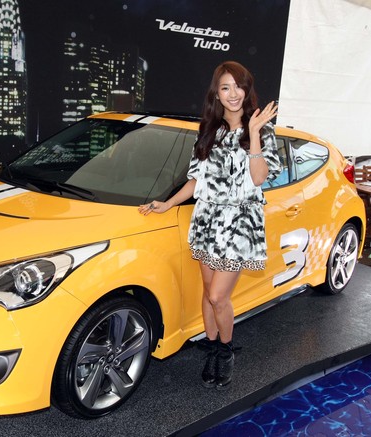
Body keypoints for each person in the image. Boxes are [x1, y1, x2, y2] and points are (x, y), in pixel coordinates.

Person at [138, 61, 282, 389]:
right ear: (216, 93)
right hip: (207, 219)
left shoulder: (262, 129)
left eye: (238, 86)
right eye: (225, 87)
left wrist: (254, 133)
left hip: (239, 222)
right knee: (207, 293)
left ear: (247, 89)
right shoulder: (209, 130)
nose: (233, 93)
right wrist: (168, 203)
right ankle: (213, 348)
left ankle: (226, 351)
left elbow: (259, 178)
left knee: (218, 296)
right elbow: (196, 179)